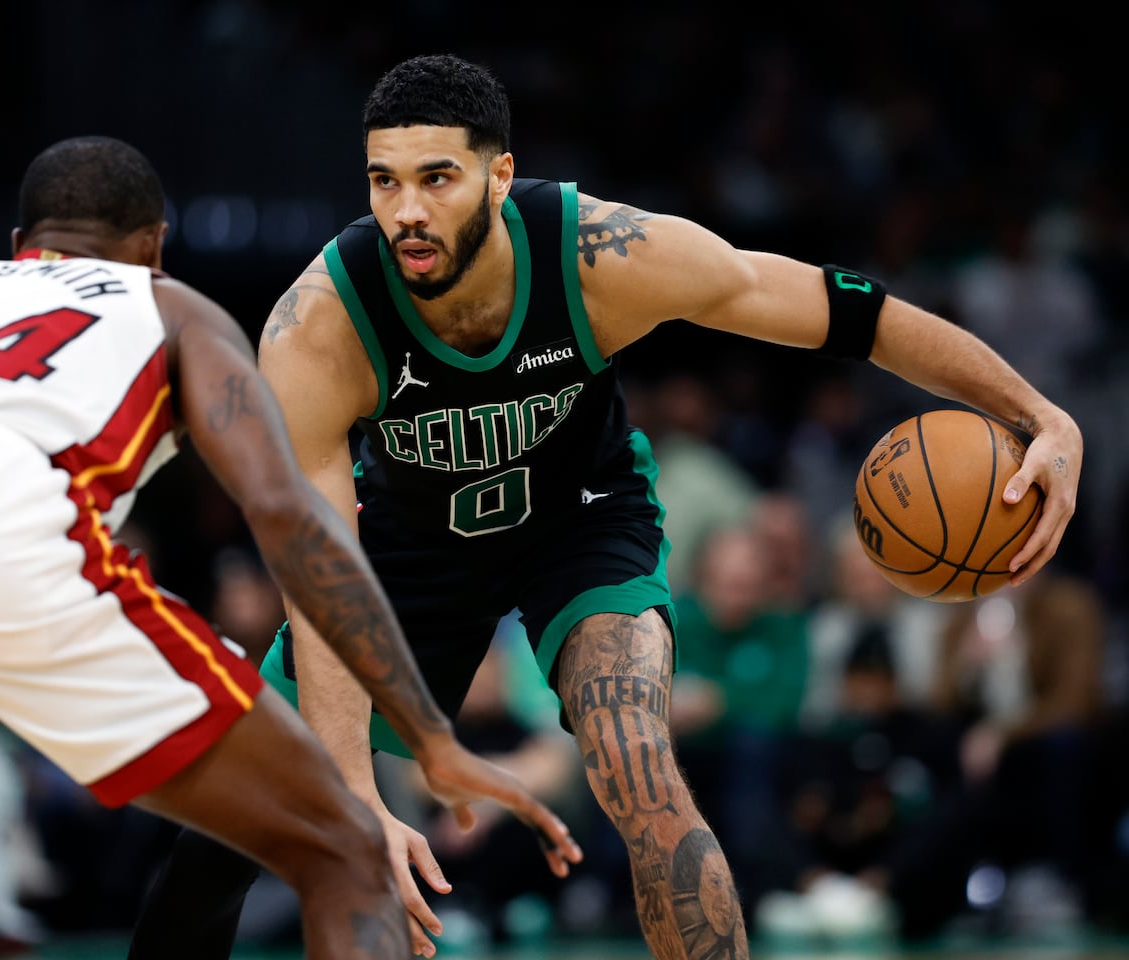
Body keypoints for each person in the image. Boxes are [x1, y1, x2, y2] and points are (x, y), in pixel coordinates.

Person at [132, 53, 1082, 960]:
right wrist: (350, 788)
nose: (407, 211)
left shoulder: (602, 257)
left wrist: (1035, 412)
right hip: (405, 554)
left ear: (501, 176)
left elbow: (850, 314)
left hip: (578, 524)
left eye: (437, 178)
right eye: (384, 182)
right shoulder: (320, 328)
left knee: (640, 769)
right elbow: (319, 563)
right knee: (233, 831)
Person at [0, 135, 584, 960]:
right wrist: (428, 730)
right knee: (340, 848)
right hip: (3, 543)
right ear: (156, 246)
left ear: (16, 245)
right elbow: (284, 511)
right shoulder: (171, 307)